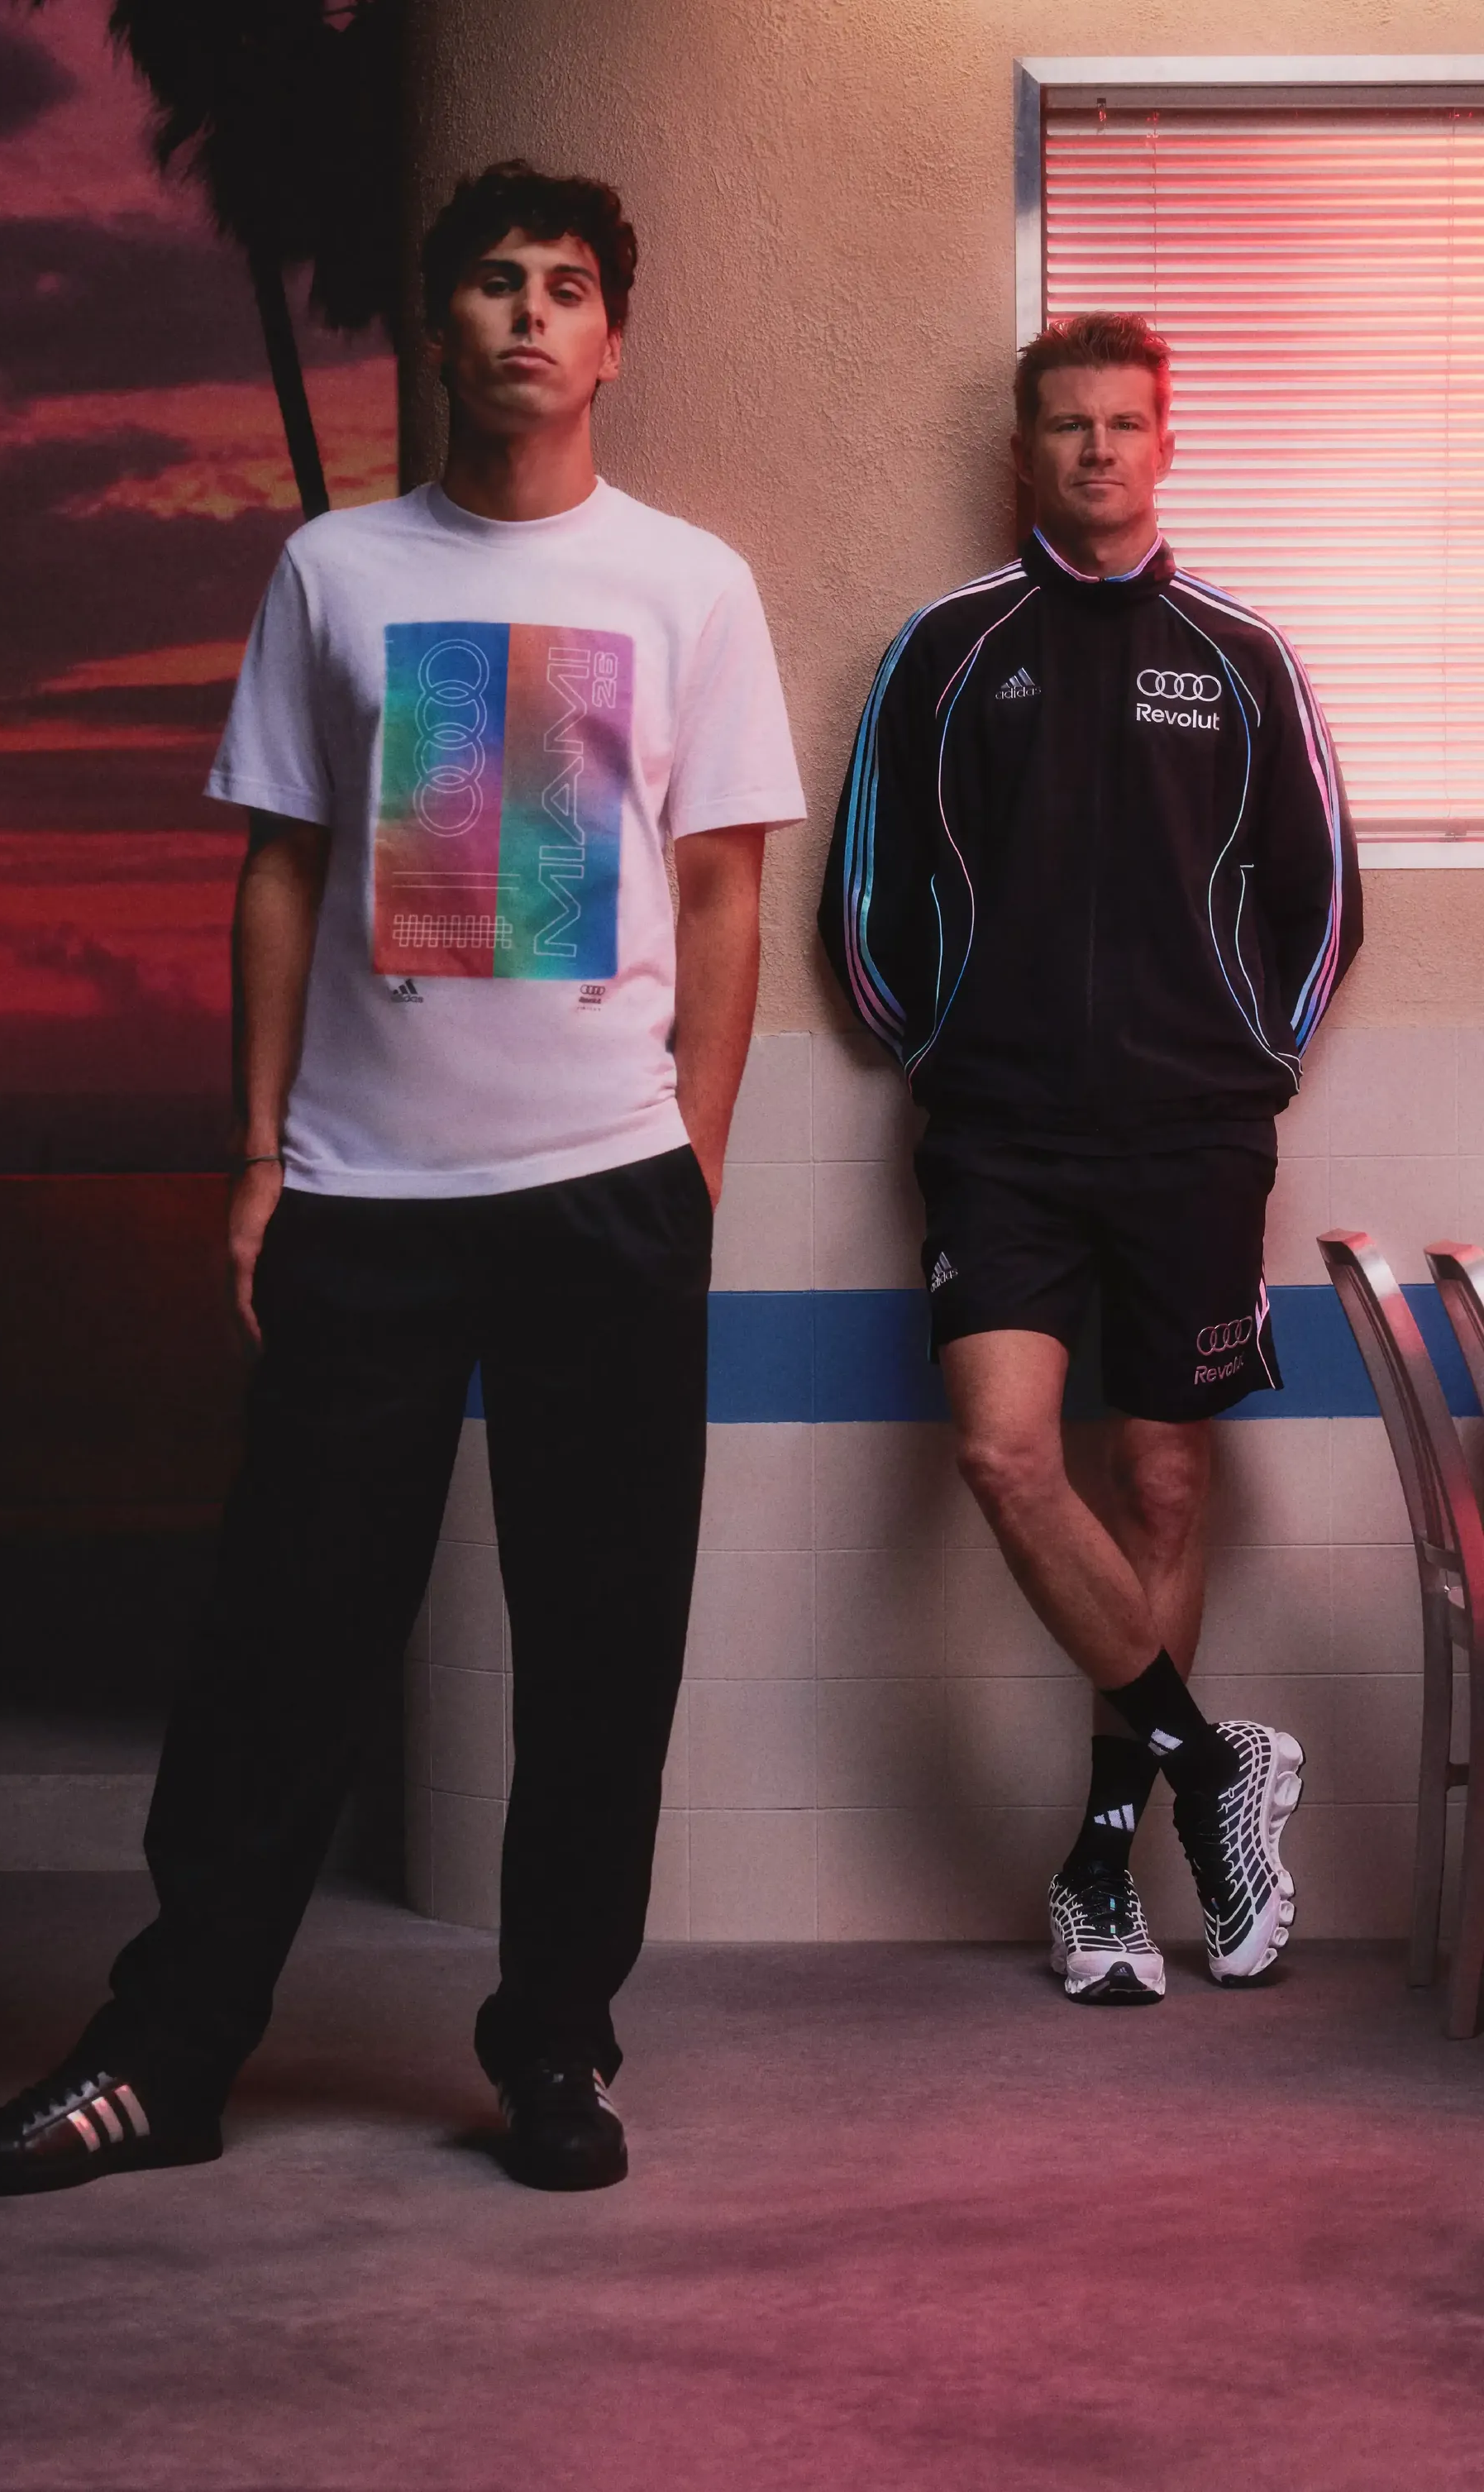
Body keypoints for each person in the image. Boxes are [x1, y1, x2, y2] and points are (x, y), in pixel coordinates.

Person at [0, 160, 804, 2195]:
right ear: (439, 328)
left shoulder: (687, 583)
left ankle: (557, 2045)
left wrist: (689, 1160)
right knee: (284, 1640)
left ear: (613, 339)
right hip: (366, 1196)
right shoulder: (336, 572)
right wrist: (258, 1158)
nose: (528, 314)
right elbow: (281, 870)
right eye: (494, 282)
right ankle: (168, 2054)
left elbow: (722, 891)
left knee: (602, 1652)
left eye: (566, 285)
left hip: (606, 1195)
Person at [819, 311, 1360, 2005]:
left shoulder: (1246, 652)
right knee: (1005, 1454)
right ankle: (1216, 1759)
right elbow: (865, 898)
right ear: (1024, 449)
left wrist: (1254, 1061)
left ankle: (1101, 1871)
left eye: (1127, 423)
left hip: (1194, 1140)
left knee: (1167, 1486)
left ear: (1166, 445)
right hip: (1003, 1140)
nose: (1099, 449)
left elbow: (1324, 898)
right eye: (1068, 424)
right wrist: (944, 1053)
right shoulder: (947, 648)